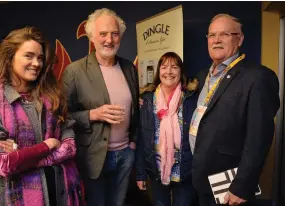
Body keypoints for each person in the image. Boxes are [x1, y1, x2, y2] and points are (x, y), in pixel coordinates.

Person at [190, 14, 280, 206]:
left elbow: (259, 138)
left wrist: (243, 185)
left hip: (229, 183)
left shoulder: (258, 77)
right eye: (212, 35)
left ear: (239, 39)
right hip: (201, 177)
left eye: (224, 34)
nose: (216, 40)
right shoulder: (204, 75)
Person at [62, 8, 139, 206]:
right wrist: (93, 114)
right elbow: (62, 117)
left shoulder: (129, 68)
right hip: (93, 157)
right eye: (103, 34)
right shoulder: (74, 71)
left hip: (125, 154)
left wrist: (132, 144)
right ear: (92, 37)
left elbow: (135, 111)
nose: (109, 40)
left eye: (114, 34)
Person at [0, 26, 84, 205]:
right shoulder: (1, 101)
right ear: (10, 57)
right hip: (21, 195)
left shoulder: (52, 93)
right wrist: (48, 145)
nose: (36, 63)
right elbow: (5, 164)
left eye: (40, 58)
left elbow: (69, 139)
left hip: (63, 190)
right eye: (28, 56)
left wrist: (27, 157)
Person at [136, 52, 198, 206]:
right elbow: (141, 140)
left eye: (174, 67)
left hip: (185, 171)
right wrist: (140, 174)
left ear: (181, 72)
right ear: (159, 72)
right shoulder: (147, 101)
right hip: (156, 169)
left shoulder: (191, 99)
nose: (168, 72)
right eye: (164, 67)